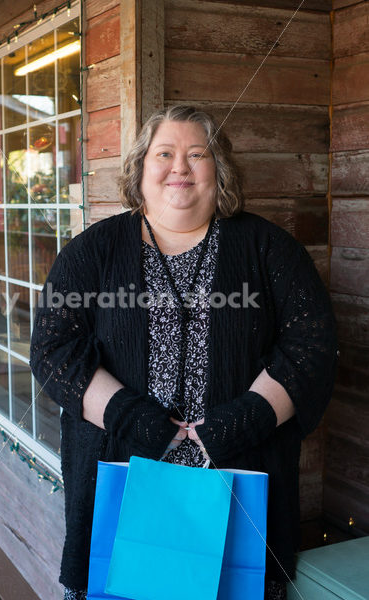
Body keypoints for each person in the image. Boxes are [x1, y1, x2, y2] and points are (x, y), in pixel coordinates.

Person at [30, 105, 337, 600]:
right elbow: (53, 349)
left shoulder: (269, 249)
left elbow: (312, 347)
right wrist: (134, 420)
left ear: (221, 169)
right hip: (122, 475)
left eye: (198, 154)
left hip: (240, 479)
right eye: (164, 154)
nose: (180, 167)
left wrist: (241, 422)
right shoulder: (92, 252)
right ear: (140, 168)